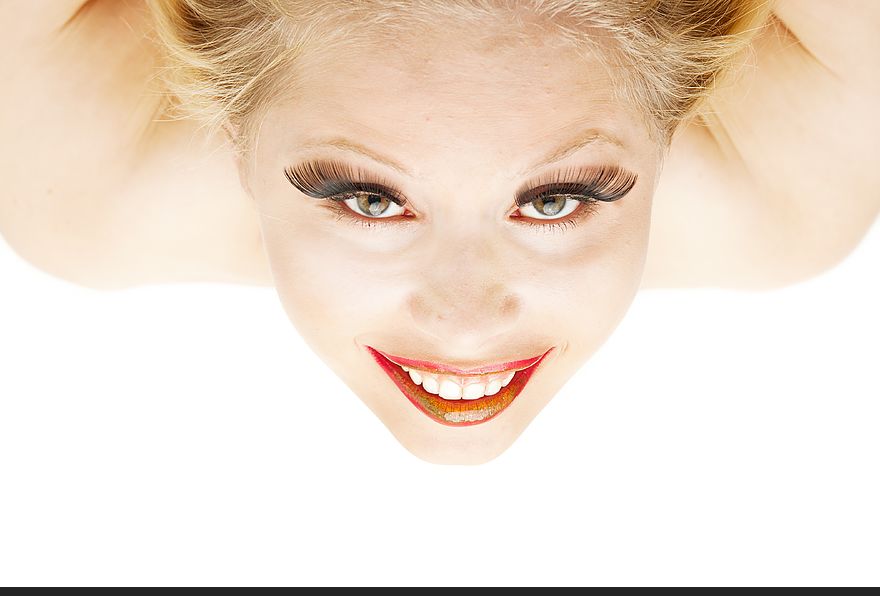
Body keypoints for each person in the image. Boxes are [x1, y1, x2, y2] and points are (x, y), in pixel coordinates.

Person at [2, 1, 878, 464]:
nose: (465, 323)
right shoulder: (789, 199)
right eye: (373, 200)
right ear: (231, 129)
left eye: (554, 200)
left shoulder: (80, 185)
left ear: (675, 120)